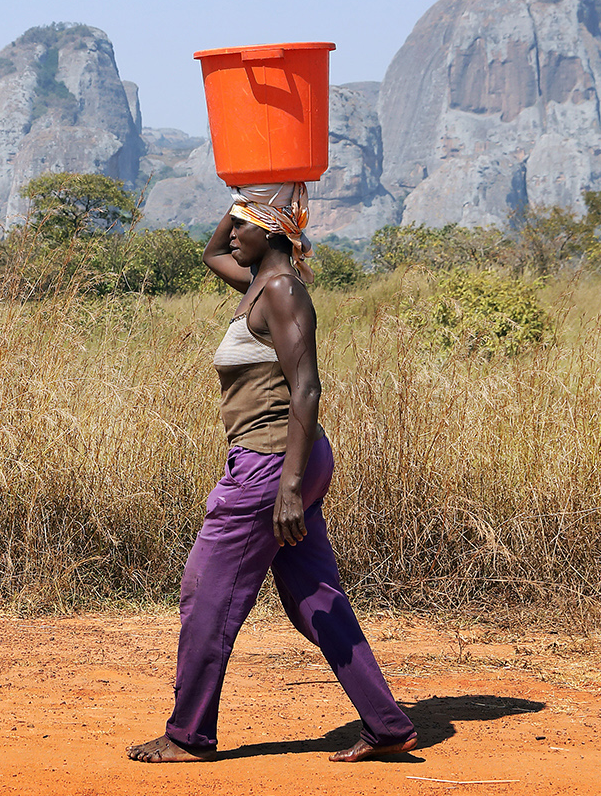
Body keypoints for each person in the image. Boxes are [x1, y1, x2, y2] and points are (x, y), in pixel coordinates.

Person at [127, 182, 417, 764]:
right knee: (314, 598)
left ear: (269, 232)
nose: (231, 233)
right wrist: (247, 188)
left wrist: (287, 486)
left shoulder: (281, 289)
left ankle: (188, 735)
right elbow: (211, 254)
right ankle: (386, 723)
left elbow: (307, 385)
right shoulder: (257, 285)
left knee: (206, 593)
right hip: (281, 463)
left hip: (272, 466)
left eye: (242, 225)